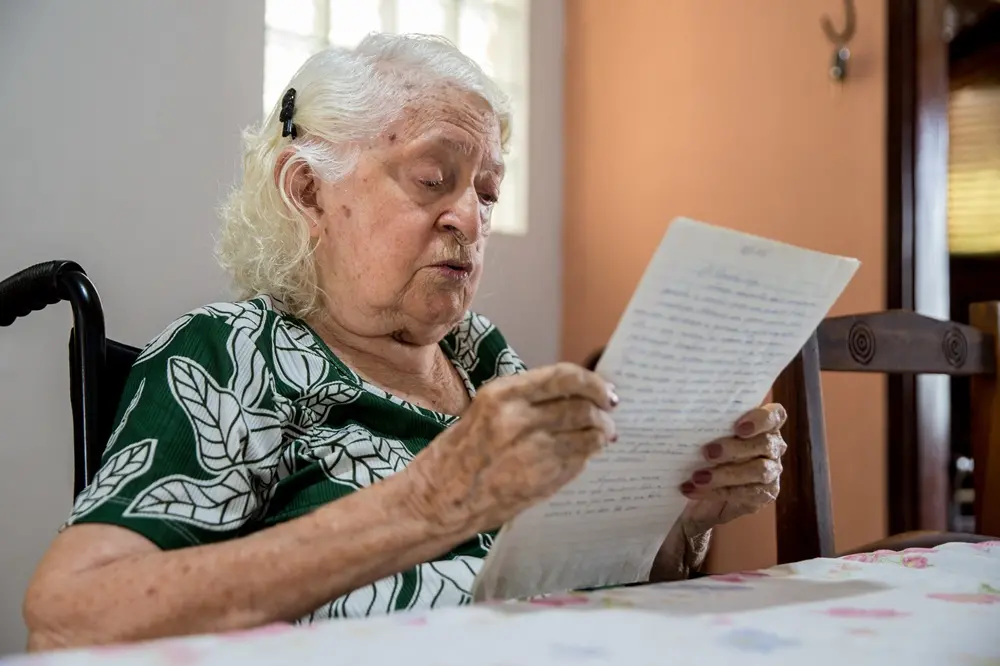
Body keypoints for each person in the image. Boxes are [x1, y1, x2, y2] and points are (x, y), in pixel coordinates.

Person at [22, 33, 788, 650]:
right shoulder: (236, 354)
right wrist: (424, 503)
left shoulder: (484, 359)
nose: (470, 219)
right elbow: (68, 615)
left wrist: (685, 519)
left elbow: (562, 576)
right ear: (309, 190)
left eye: (487, 193)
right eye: (432, 179)